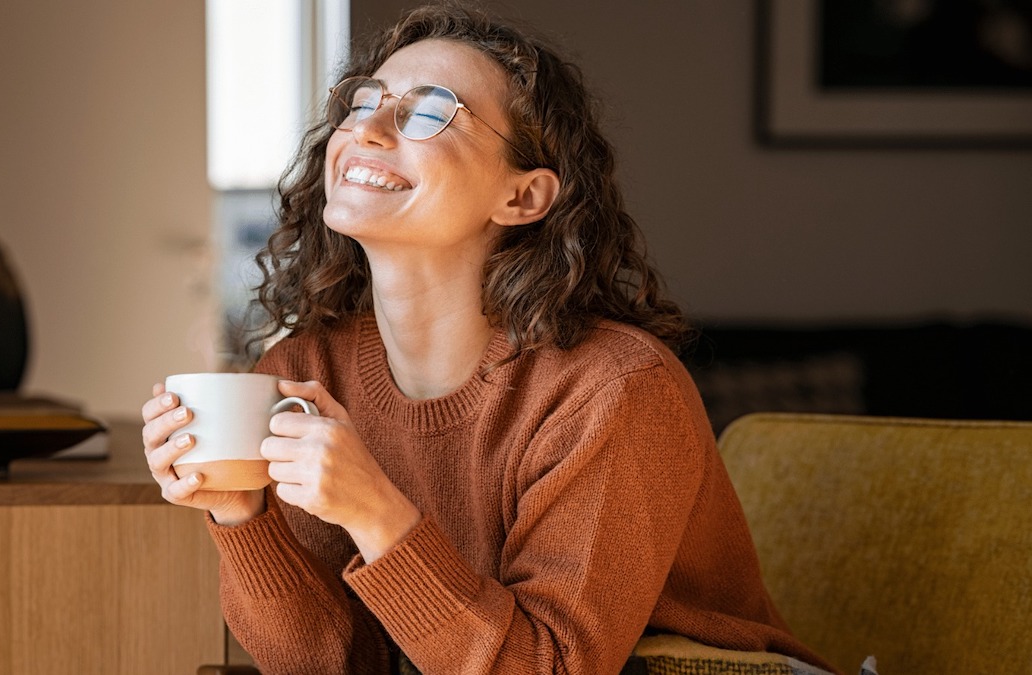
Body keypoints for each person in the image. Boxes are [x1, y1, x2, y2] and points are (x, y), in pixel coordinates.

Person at [142, 4, 835, 674]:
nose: (368, 129)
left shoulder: (615, 390)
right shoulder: (303, 370)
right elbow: (337, 665)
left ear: (523, 197)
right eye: (363, 100)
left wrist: (376, 512)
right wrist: (243, 516)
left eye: (430, 109)